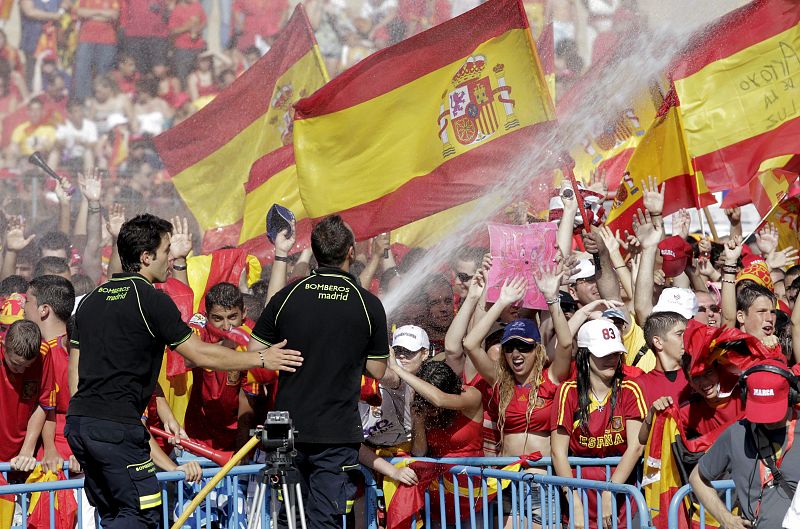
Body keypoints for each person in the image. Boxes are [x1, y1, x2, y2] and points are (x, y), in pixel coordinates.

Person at [66, 213, 302, 529]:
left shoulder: (90, 301)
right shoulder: (150, 299)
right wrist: (262, 359)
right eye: (165, 251)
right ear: (146, 257)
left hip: (81, 424)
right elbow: (199, 353)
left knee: (112, 513)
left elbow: (75, 372)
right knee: (140, 514)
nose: (168, 258)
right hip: (117, 429)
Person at [247, 214, 388, 529]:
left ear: (313, 249)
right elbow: (378, 369)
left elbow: (254, 352)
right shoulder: (368, 304)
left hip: (288, 431)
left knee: (289, 520)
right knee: (324, 519)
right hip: (336, 434)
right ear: (351, 251)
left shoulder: (288, 296)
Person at [551, 319, 647, 529]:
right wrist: (574, 501)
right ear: (585, 356)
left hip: (622, 491)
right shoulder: (568, 392)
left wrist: (609, 490)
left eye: (615, 353)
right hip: (578, 490)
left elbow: (636, 446)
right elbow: (558, 452)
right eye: (603, 354)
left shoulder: (630, 389)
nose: (611, 359)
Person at [690, 360, 800, 529]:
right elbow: (696, 478)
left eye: (772, 410)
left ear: (791, 395)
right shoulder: (737, 433)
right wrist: (726, 518)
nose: (766, 420)